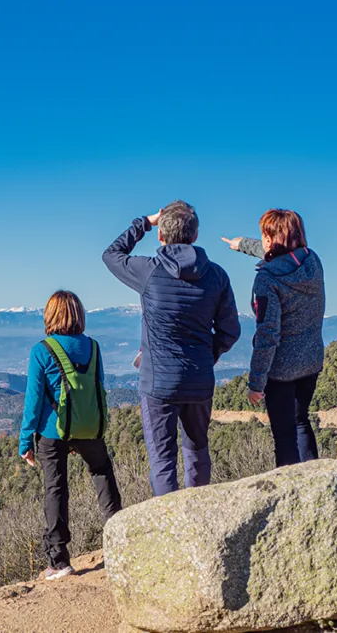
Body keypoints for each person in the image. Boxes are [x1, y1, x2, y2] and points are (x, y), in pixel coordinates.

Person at [103, 201, 241, 496]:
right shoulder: (217, 276)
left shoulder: (148, 271)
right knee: (197, 450)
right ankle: (198, 513)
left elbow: (111, 255)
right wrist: (206, 357)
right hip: (199, 380)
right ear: (196, 235)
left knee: (162, 460)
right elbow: (230, 331)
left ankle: (168, 523)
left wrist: (144, 222)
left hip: (158, 382)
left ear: (161, 235)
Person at [19, 291, 122, 581]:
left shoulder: (42, 350)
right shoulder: (93, 347)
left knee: (56, 488)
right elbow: (96, 387)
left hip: (52, 431)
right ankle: (121, 539)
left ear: (49, 315)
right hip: (89, 428)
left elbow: (33, 401)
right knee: (102, 473)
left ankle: (59, 561)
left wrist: (25, 441)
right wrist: (82, 427)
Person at [222, 209, 325, 467]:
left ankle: (289, 488)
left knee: (284, 435)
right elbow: (284, 255)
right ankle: (314, 480)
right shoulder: (312, 262)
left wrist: (256, 383)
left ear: (269, 239)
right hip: (311, 362)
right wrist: (244, 245)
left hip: (280, 370)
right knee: (301, 422)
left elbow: (267, 334)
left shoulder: (267, 280)